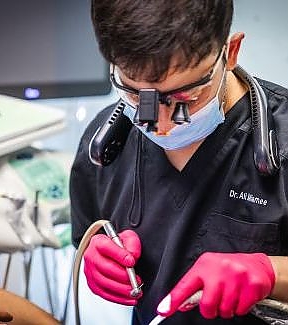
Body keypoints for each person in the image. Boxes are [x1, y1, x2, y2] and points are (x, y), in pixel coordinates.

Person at [70, 1, 288, 324]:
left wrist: (272, 273)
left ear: (230, 52)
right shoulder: (104, 147)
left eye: (183, 99)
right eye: (135, 95)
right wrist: (94, 254)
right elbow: (89, 233)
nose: (159, 124)